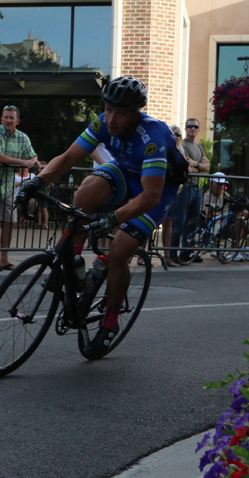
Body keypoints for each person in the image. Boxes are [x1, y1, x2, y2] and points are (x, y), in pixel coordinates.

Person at [19, 76, 183, 351]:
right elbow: (69, 158)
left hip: (157, 188)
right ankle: (73, 263)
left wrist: (114, 218)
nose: (110, 118)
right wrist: (36, 182)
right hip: (126, 169)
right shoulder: (102, 121)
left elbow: (150, 196)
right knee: (85, 193)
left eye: (120, 113)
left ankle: (110, 319)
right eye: (108, 108)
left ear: (136, 114)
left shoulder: (154, 135)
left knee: (119, 251)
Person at [0, 105, 40, 271]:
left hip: (7, 184)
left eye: (12, 117)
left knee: (9, 221)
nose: (8, 120)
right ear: (1, 119)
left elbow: (32, 154)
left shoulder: (23, 137)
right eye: (5, 117)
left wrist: (34, 161)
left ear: (17, 121)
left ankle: (4, 259)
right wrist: (22, 162)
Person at [169, 117, 209, 263]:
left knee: (193, 222)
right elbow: (186, 167)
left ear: (198, 129)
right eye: (190, 126)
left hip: (197, 188)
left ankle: (187, 253)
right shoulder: (182, 145)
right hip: (184, 187)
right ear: (185, 128)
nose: (193, 129)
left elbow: (207, 167)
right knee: (179, 222)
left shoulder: (199, 147)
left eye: (195, 127)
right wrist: (196, 167)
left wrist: (196, 164)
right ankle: (172, 253)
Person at [160, 125, 183, 264]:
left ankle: (167, 256)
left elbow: (188, 166)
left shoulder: (181, 150)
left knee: (169, 224)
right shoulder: (161, 147)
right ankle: (141, 255)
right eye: (173, 134)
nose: (175, 136)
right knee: (150, 222)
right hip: (159, 189)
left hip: (174, 191)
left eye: (178, 134)